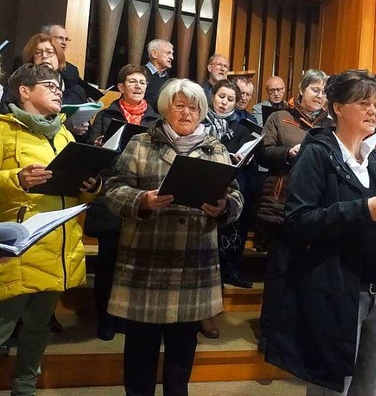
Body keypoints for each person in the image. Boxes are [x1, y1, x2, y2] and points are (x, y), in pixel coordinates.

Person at [265, 69, 376, 395]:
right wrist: (362, 210)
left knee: (367, 387)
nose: (373, 111)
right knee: (333, 387)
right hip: (336, 287)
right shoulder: (317, 152)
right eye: (363, 103)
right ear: (337, 107)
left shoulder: (372, 159)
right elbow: (298, 221)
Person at [104, 78, 243, 396]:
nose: (186, 111)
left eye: (194, 106)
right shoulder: (141, 144)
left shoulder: (215, 147)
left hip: (194, 266)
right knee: (140, 356)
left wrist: (223, 208)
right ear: (166, 108)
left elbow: (235, 195)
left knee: (181, 361)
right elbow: (113, 189)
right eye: (179, 105)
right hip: (147, 265)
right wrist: (144, 201)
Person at [0, 63, 99, 396]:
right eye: (49, 84)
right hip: (15, 249)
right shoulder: (3, 130)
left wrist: (90, 184)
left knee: (38, 328)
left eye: (59, 85)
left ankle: (24, 388)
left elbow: (71, 189)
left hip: (56, 244)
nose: (59, 90)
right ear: (24, 92)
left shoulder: (64, 134)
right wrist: (17, 179)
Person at [84, 64, 161, 341]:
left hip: (143, 196)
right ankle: (105, 319)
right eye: (132, 81)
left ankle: (126, 318)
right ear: (121, 87)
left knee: (134, 265)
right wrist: (100, 145)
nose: (138, 86)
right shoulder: (106, 116)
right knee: (108, 262)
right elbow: (92, 153)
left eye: (142, 82)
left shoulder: (155, 119)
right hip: (112, 194)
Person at [257, 69, 332, 352]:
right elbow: (263, 151)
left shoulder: (331, 124)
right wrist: (288, 153)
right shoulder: (279, 117)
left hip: (317, 207)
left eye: (324, 91)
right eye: (314, 89)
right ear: (301, 90)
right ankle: (268, 331)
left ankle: (295, 331)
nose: (319, 95)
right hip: (282, 201)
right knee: (279, 270)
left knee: (307, 274)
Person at [205, 79, 256, 290]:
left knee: (234, 231)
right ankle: (211, 275)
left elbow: (250, 154)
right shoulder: (200, 122)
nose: (224, 102)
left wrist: (245, 157)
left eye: (230, 99)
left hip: (232, 185)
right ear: (213, 96)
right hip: (205, 181)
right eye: (221, 97)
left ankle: (231, 271)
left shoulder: (241, 129)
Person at [22, 32, 89, 139]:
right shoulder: (22, 89)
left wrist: (82, 130)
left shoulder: (77, 91)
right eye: (38, 53)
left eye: (50, 52)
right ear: (32, 59)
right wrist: (64, 125)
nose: (44, 56)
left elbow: (85, 137)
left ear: (59, 57)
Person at [144, 39, 174, 111]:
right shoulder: (140, 74)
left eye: (172, 54)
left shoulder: (169, 81)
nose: (172, 57)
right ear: (154, 54)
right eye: (168, 53)